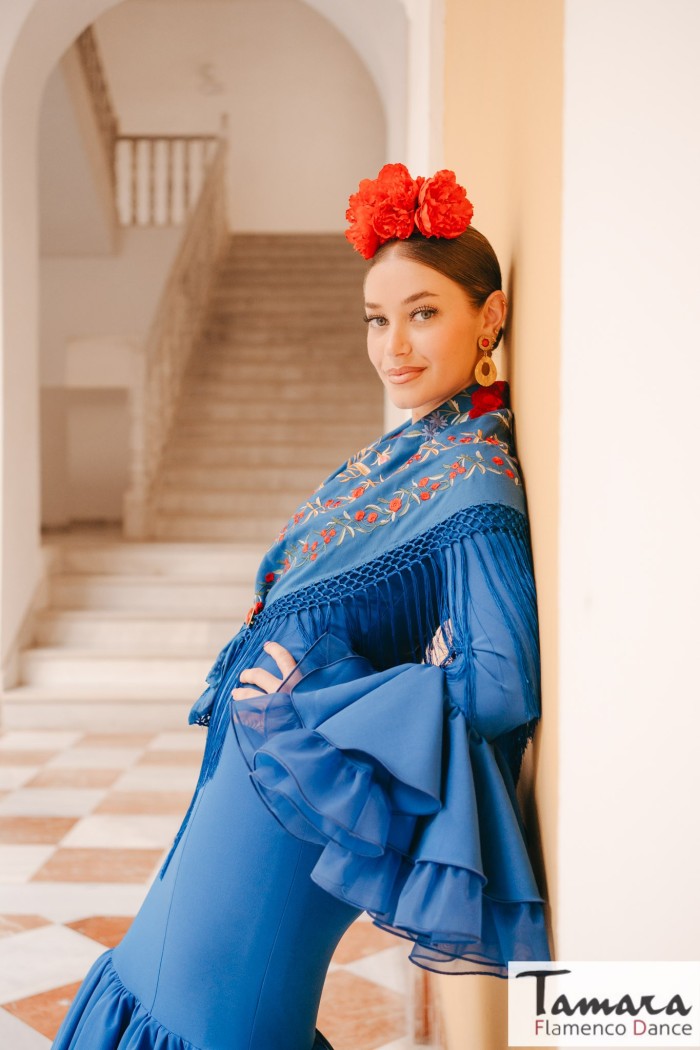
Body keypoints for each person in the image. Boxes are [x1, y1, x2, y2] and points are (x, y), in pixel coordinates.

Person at [52, 164, 551, 1050]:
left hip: (297, 805)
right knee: (152, 980)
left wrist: (315, 708)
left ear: (491, 316)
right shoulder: (416, 449)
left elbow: (501, 685)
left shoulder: (474, 477)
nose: (393, 345)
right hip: (245, 790)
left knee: (209, 1015)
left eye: (423, 312)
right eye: (377, 318)